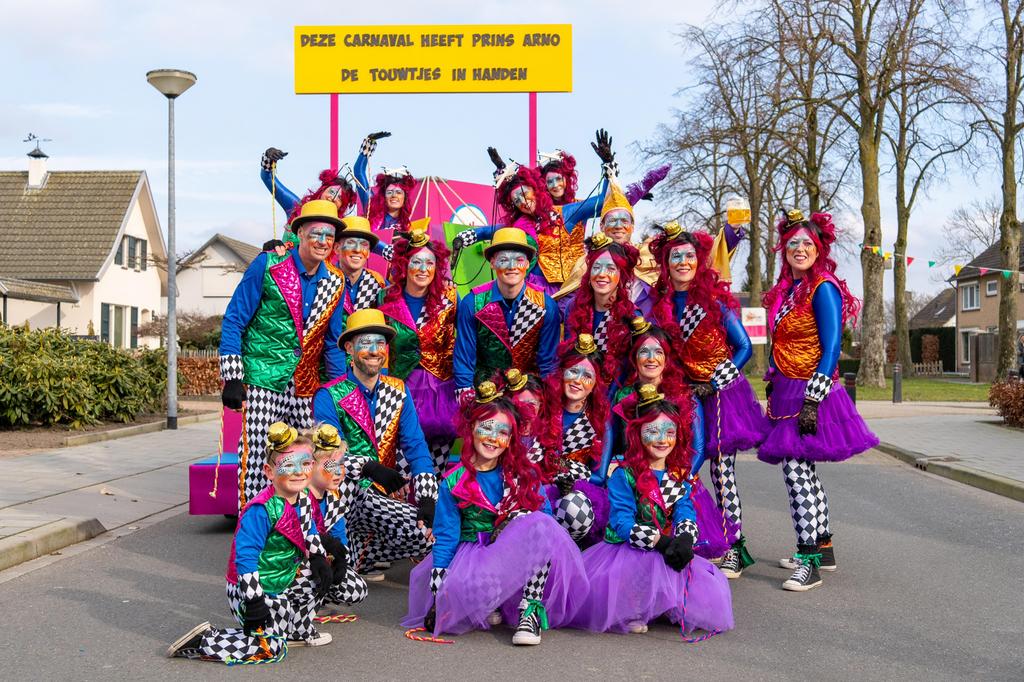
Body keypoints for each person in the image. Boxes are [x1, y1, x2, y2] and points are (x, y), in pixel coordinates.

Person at [401, 382, 589, 645]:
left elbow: (545, 523)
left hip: (517, 562)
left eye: (502, 431)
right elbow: (446, 536)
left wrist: (518, 521)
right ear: (471, 429)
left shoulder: (524, 473)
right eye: (486, 427)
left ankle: (529, 611)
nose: (492, 438)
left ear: (511, 439)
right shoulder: (453, 481)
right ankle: (490, 602)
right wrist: (439, 583)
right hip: (475, 559)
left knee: (539, 523)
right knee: (461, 593)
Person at [759, 210, 879, 592]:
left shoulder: (823, 287)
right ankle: (822, 549)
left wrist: (813, 399)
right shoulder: (790, 289)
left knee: (795, 473)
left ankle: (808, 561)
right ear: (784, 249)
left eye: (807, 243)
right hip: (786, 388)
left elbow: (832, 347)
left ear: (819, 248)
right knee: (804, 472)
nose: (799, 248)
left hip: (811, 390)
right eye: (792, 242)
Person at [650, 221, 768, 578]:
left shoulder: (714, 301)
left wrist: (717, 381)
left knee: (722, 471)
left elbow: (743, 347)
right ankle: (693, 536)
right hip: (684, 392)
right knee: (683, 462)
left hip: (721, 395)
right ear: (666, 264)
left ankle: (735, 546)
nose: (683, 263)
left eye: (689, 256)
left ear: (699, 261)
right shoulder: (661, 305)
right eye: (675, 257)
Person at [569, 386, 733, 636]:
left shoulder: (677, 476)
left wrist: (685, 538)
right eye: (653, 431)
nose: (662, 439)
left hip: (665, 547)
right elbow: (622, 523)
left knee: (702, 588)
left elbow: (685, 510)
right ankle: (634, 607)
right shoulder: (624, 475)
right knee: (641, 566)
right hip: (629, 550)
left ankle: (661, 604)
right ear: (637, 434)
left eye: (669, 432)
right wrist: (661, 541)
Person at [166, 423, 334, 661]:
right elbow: (245, 557)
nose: (299, 472)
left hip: (282, 577)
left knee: (325, 576)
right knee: (270, 649)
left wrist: (318, 557)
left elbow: (310, 530)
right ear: (269, 471)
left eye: (305, 463)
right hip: (250, 588)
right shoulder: (260, 510)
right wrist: (254, 600)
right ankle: (205, 640)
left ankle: (297, 630)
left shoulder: (304, 498)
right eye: (288, 465)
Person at [220, 199, 348, 508]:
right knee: (257, 461)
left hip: (305, 385)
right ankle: (253, 527)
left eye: (329, 236)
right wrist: (233, 377)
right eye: (316, 233)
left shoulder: (336, 281)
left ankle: (301, 526)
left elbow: (332, 342)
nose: (323, 241)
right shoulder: (268, 265)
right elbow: (235, 319)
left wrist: (340, 389)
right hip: (263, 378)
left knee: (311, 458)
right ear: (299, 233)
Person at [312, 309, 437, 579]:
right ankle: (344, 556)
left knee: (429, 533)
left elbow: (416, 447)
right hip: (344, 496)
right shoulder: (328, 395)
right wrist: (368, 467)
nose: (374, 350)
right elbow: (328, 458)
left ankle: (366, 554)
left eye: (380, 343)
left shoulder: (398, 390)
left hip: (379, 499)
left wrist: (427, 497)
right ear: (349, 348)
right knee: (336, 480)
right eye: (365, 342)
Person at [604, 318, 736, 561]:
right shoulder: (623, 395)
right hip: (631, 476)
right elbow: (612, 441)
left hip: (677, 474)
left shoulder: (684, 395)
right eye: (644, 352)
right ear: (634, 358)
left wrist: (677, 479)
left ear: (666, 359)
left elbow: (698, 447)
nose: (651, 358)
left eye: (658, 352)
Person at [451, 131, 615, 296]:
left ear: (536, 190)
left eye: (524, 193)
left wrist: (608, 165)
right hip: (537, 290)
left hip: (573, 286)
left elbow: (603, 201)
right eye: (516, 200)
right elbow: (489, 231)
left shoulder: (566, 211)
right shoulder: (521, 225)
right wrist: (462, 238)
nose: (523, 201)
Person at [379, 229, 459, 474]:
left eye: (430, 263)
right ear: (404, 265)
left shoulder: (449, 298)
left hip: (440, 394)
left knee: (434, 471)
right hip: (401, 389)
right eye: (416, 262)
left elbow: (465, 342)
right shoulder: (384, 298)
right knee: (400, 471)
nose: (423, 269)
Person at [453, 227, 560, 399]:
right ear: (492, 263)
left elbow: (548, 363)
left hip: (528, 392)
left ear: (528, 264)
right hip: (485, 391)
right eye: (503, 260)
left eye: (519, 260)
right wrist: (467, 396)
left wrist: (549, 399)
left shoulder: (546, 306)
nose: (512, 267)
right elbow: (464, 358)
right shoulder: (472, 303)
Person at [536, 336, 608, 542]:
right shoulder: (543, 408)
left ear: (595, 384)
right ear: (562, 373)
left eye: (587, 376)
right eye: (573, 371)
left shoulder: (600, 421)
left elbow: (600, 476)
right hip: (540, 486)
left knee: (573, 507)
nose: (578, 380)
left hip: (578, 493)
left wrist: (566, 471)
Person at [562, 232, 640, 386]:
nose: (602, 274)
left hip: (614, 391)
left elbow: (628, 371)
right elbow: (569, 357)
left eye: (610, 268)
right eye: (596, 267)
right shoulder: (573, 307)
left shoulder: (631, 316)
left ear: (621, 275)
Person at [306, 424, 369, 611]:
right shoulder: (297, 498)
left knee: (356, 589)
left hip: (317, 559)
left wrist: (339, 560)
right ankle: (297, 603)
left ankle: (318, 595)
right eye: (330, 466)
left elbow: (340, 539)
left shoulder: (332, 499)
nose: (339, 472)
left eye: (341, 465)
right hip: (289, 563)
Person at [259, 147, 358, 251]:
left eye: (340, 198)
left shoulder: (339, 231)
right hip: (284, 260)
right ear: (322, 190)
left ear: (342, 206)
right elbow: (268, 178)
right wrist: (269, 158)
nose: (333, 198)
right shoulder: (297, 208)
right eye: (332, 192)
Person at [335, 215, 387, 312]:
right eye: (351, 243)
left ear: (368, 253)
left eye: (364, 245)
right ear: (337, 248)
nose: (358, 250)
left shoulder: (378, 282)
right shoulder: (325, 279)